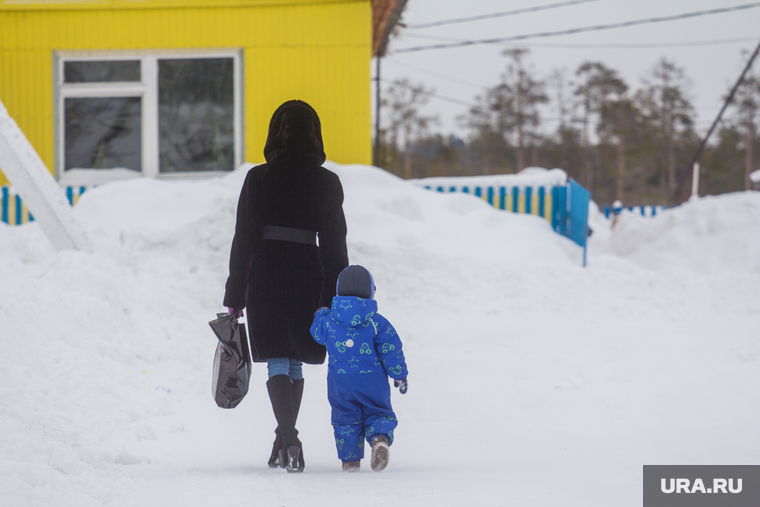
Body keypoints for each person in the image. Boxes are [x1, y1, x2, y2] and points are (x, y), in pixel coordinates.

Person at [223, 100, 349, 473]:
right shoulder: (328, 182)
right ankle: (286, 437)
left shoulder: (258, 178)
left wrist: (235, 292)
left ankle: (288, 436)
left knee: (278, 354)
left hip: (266, 270)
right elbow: (335, 243)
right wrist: (333, 297)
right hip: (308, 272)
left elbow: (243, 236)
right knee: (294, 355)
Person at [310, 265, 408, 472]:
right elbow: (391, 349)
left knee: (345, 417)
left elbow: (316, 334)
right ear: (371, 291)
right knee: (378, 411)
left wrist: (320, 313)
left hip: (340, 381)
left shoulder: (329, 322)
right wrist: (399, 374)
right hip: (372, 380)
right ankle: (379, 439)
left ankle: (350, 461)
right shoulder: (376, 322)